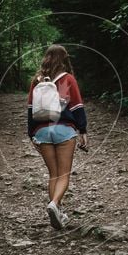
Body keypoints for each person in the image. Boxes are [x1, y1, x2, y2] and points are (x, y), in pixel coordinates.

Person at [27, 44, 88, 230]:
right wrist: (83, 131)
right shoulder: (68, 79)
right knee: (64, 174)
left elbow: (30, 110)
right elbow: (77, 107)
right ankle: (54, 204)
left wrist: (32, 134)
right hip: (64, 129)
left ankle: (57, 211)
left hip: (42, 131)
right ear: (64, 59)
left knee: (53, 174)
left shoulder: (36, 81)